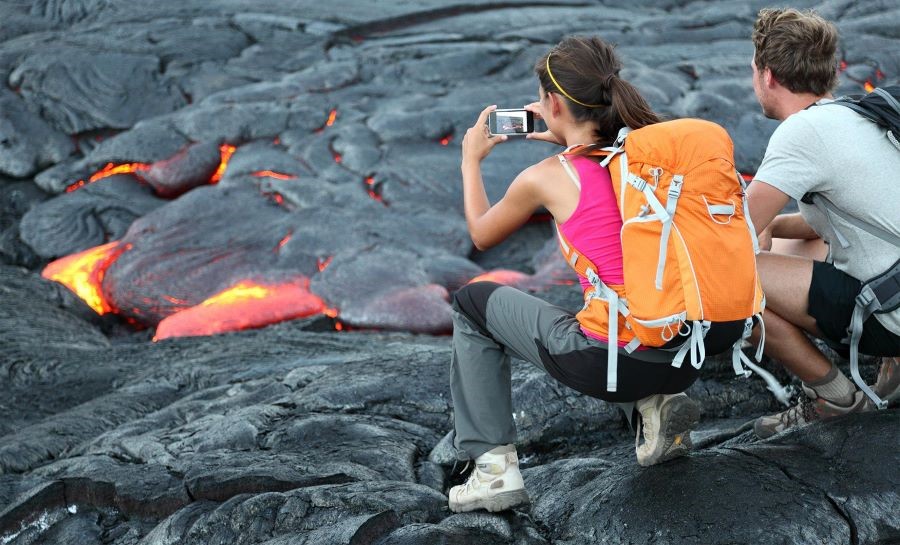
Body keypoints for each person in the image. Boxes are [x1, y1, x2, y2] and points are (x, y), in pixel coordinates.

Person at [447, 36, 748, 514]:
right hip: (686, 351)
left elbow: (482, 234)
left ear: (550, 104)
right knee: (628, 297)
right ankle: (654, 407)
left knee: (472, 303)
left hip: (612, 363)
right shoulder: (650, 157)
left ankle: (492, 470)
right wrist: (566, 133)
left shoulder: (546, 177)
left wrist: (470, 159)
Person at [745, 8, 900, 439]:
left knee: (724, 280)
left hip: (892, 314)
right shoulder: (851, 114)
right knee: (791, 248)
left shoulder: (802, 134)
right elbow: (837, 222)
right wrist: (772, 228)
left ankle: (837, 398)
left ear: (768, 75)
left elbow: (730, 233)